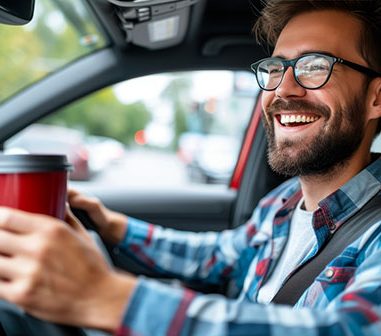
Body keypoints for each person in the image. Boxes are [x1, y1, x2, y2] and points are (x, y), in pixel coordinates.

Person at [0, 0, 381, 334]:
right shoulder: (284, 202)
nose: (283, 89)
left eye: (314, 67)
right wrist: (108, 223)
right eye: (276, 68)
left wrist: (106, 297)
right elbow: (218, 255)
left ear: (376, 97)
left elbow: (349, 328)